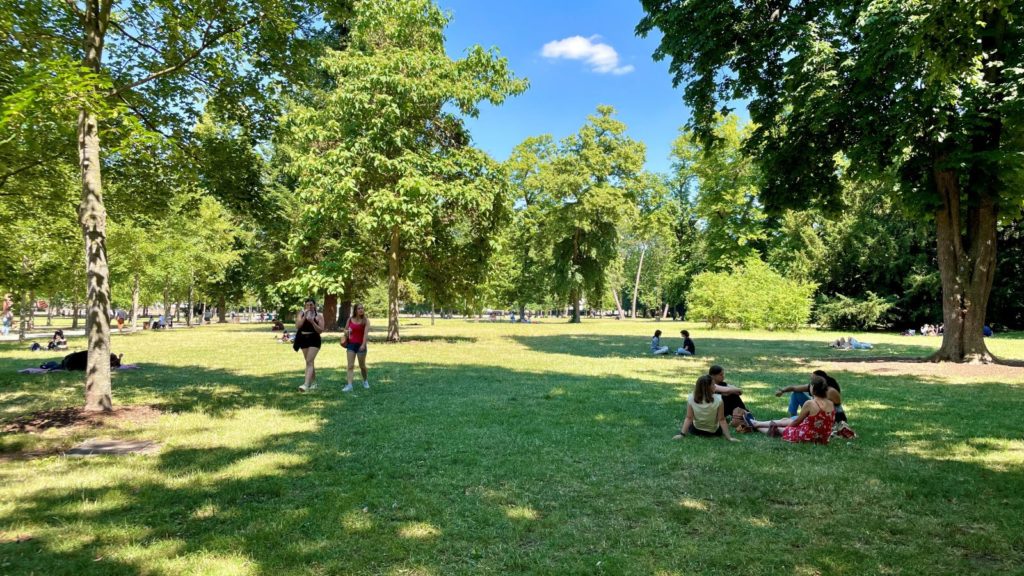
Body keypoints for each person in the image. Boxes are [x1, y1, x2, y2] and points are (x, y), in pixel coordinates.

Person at [744, 374, 835, 444]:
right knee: (785, 420)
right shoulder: (831, 403)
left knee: (777, 429)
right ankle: (755, 423)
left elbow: (796, 422)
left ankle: (754, 425)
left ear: (813, 388)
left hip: (810, 436)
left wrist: (787, 430)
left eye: (810, 385)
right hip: (823, 437)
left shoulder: (810, 403)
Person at [673, 375, 739, 442]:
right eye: (713, 384)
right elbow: (721, 420)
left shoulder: (691, 398)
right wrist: (729, 438)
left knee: (692, 423)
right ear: (708, 387)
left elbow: (689, 418)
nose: (715, 386)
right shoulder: (718, 400)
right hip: (714, 432)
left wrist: (682, 434)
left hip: (696, 431)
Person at [774, 369, 847, 424]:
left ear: (820, 380)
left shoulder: (830, 391)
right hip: (817, 412)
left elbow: (822, 410)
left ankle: (793, 419)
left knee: (785, 421)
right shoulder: (816, 387)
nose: (811, 381)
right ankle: (792, 416)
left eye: (813, 379)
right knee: (796, 393)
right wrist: (782, 391)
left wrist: (798, 419)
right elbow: (794, 388)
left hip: (830, 419)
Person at [294, 298, 324, 392]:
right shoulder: (301, 314)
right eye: (308, 305)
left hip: (314, 339)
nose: (310, 307)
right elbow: (298, 326)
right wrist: (304, 317)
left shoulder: (319, 316)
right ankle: (314, 383)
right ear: (305, 306)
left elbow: (320, 330)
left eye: (311, 305)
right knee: (309, 362)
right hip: (303, 339)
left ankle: (306, 385)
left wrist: (312, 321)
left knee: (309, 360)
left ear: (314, 306)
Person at [342, 303, 370, 392]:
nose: (361, 310)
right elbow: (345, 331)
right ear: (355, 310)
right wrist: (347, 332)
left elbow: (365, 334)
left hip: (361, 345)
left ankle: (365, 381)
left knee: (362, 366)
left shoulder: (365, 320)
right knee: (350, 366)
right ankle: (349, 385)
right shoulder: (350, 319)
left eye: (362, 308)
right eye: (359, 308)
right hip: (351, 345)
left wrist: (363, 345)